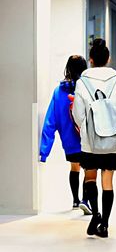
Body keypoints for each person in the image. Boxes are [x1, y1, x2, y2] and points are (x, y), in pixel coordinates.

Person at [72, 38, 116, 238]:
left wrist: (87, 126)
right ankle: (104, 223)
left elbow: (78, 113)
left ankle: (95, 212)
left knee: (90, 177)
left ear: (90, 60)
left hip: (90, 140)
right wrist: (111, 123)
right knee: (108, 180)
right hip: (113, 139)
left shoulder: (82, 82)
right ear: (108, 59)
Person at [39, 55, 92, 215]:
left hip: (68, 139)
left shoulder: (59, 90)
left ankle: (75, 200)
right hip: (86, 136)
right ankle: (85, 200)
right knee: (88, 169)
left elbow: (50, 121)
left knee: (74, 167)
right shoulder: (87, 88)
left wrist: (44, 151)